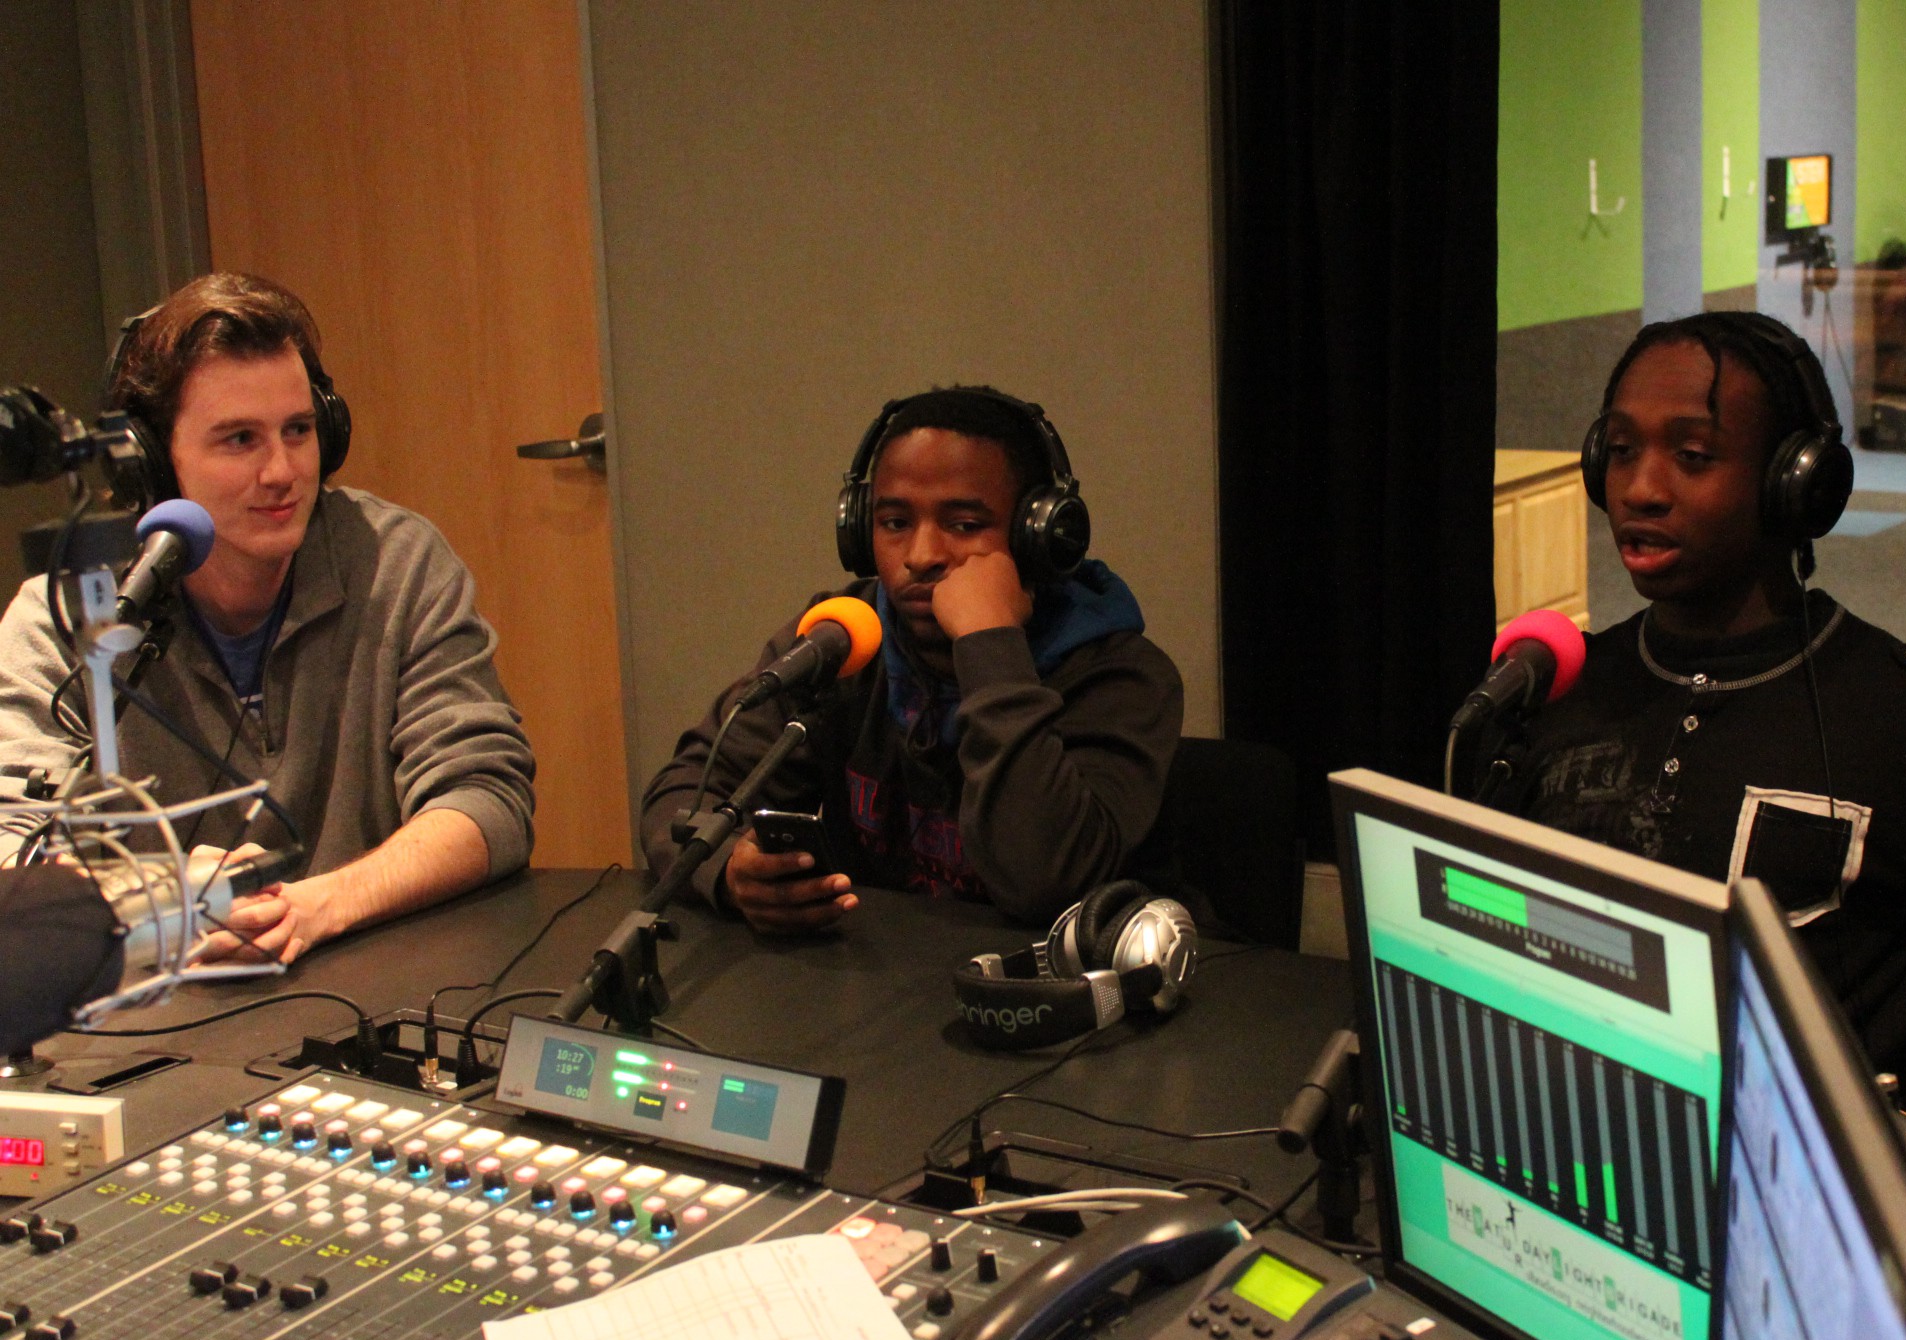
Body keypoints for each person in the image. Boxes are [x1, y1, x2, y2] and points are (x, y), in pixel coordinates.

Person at [1492, 310, 1906, 1142]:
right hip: (1580, 1168)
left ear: (1798, 483)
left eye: (1693, 456)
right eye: (1623, 449)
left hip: (1803, 1220)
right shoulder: (1557, 693)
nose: (1641, 488)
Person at [0, 273, 535, 965]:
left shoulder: (395, 563)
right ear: (158, 464)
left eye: (299, 430)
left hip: (361, 978)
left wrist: (323, 904)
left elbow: (486, 797)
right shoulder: (64, 615)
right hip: (149, 1012)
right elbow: (11, 846)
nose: (282, 471)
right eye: (240, 440)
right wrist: (163, 895)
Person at [638, 386, 1183, 932]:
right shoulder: (844, 642)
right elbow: (685, 792)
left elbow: (1046, 884)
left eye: (965, 525)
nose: (921, 556)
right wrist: (730, 869)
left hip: (1054, 990)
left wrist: (991, 645)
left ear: (1038, 535)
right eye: (895, 523)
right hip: (877, 984)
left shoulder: (1120, 677)